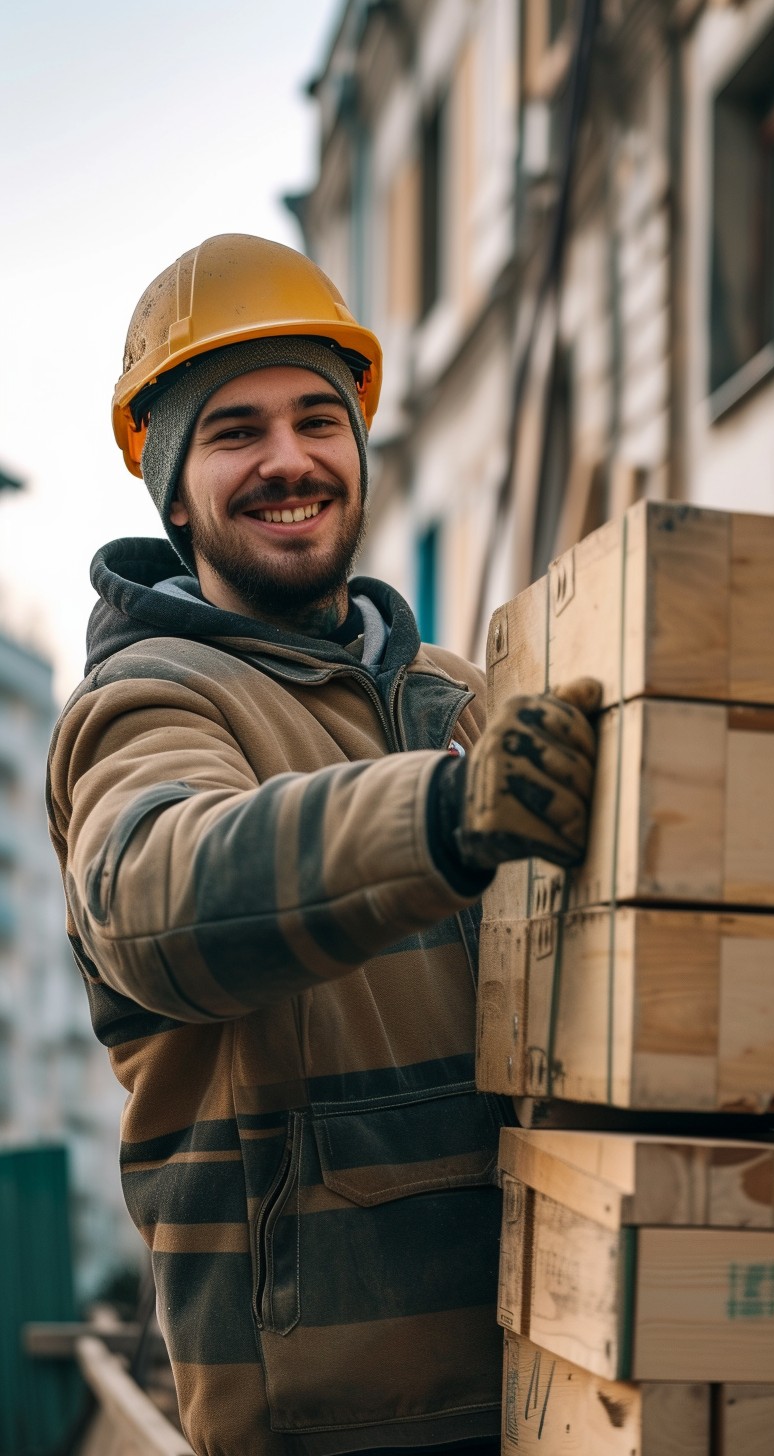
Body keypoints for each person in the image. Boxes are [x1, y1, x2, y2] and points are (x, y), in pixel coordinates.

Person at [46, 235, 599, 1456]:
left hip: (558, 1373)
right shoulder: (143, 705)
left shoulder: (462, 698)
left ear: (359, 446)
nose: (288, 459)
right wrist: (444, 815)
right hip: (332, 1420)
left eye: (317, 418)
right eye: (235, 430)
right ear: (174, 488)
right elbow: (159, 899)